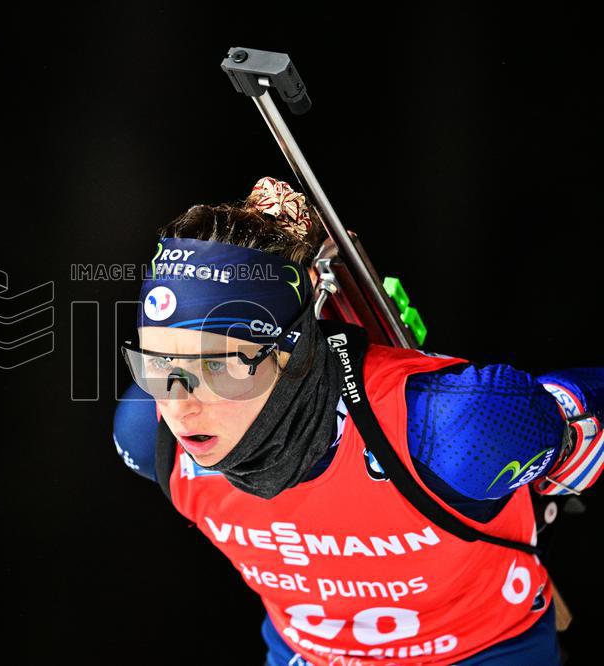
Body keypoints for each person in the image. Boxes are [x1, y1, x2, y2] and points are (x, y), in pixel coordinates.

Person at [112, 176, 603, 665]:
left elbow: (574, 415)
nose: (178, 406)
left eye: (217, 365)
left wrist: (566, 430)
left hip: (480, 650)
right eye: (158, 364)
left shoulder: (454, 428)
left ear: (294, 353)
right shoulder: (149, 434)